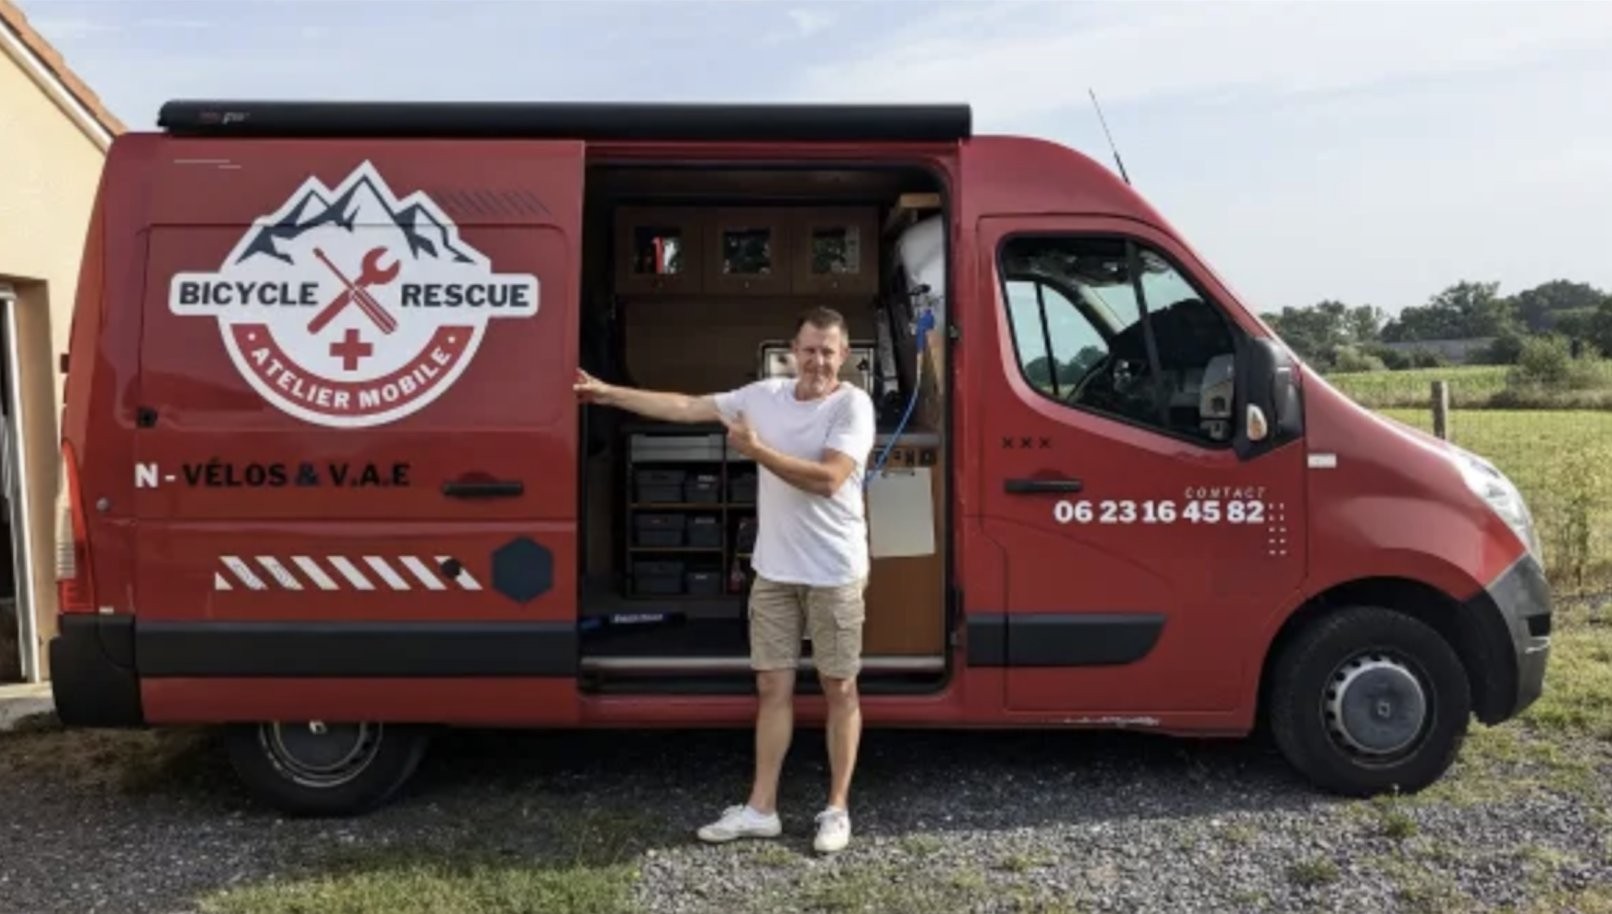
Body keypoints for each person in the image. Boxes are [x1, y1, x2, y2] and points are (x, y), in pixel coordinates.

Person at [573, 306, 876, 854]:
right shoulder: (764, 395)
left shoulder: (853, 405)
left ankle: (836, 809)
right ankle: (762, 809)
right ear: (793, 350)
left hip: (833, 570)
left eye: (829, 351)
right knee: (771, 688)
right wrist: (609, 394)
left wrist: (757, 451)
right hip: (775, 571)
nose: (818, 361)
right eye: (809, 349)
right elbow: (688, 406)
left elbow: (830, 479)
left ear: (845, 356)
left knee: (840, 688)